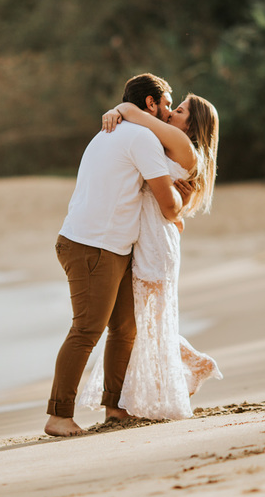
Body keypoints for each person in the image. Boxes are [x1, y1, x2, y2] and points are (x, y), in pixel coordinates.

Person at [45, 74, 186, 438]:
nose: (169, 113)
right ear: (151, 103)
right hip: (93, 246)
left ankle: (115, 408)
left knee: (125, 328)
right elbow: (169, 205)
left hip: (109, 245)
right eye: (167, 104)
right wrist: (180, 203)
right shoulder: (141, 138)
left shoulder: (114, 132)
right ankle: (59, 416)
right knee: (87, 330)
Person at [76, 91, 222, 420]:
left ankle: (180, 374)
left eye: (180, 110)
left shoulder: (183, 146)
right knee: (142, 322)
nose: (171, 114)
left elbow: (137, 114)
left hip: (156, 243)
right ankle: (187, 368)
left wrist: (120, 108)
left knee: (145, 322)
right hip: (147, 238)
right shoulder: (170, 144)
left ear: (193, 125)